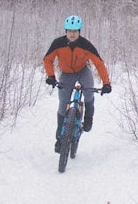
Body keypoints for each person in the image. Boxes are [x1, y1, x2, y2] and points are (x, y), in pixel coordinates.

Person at [43, 14, 112, 152]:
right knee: (63, 103)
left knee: (89, 94)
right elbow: (47, 59)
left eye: (75, 31)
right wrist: (51, 76)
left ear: (79, 32)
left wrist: (106, 83)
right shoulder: (58, 43)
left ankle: (88, 118)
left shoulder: (85, 45)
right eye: (69, 31)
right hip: (66, 74)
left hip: (83, 71)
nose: (72, 34)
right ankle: (59, 139)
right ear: (65, 31)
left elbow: (99, 63)